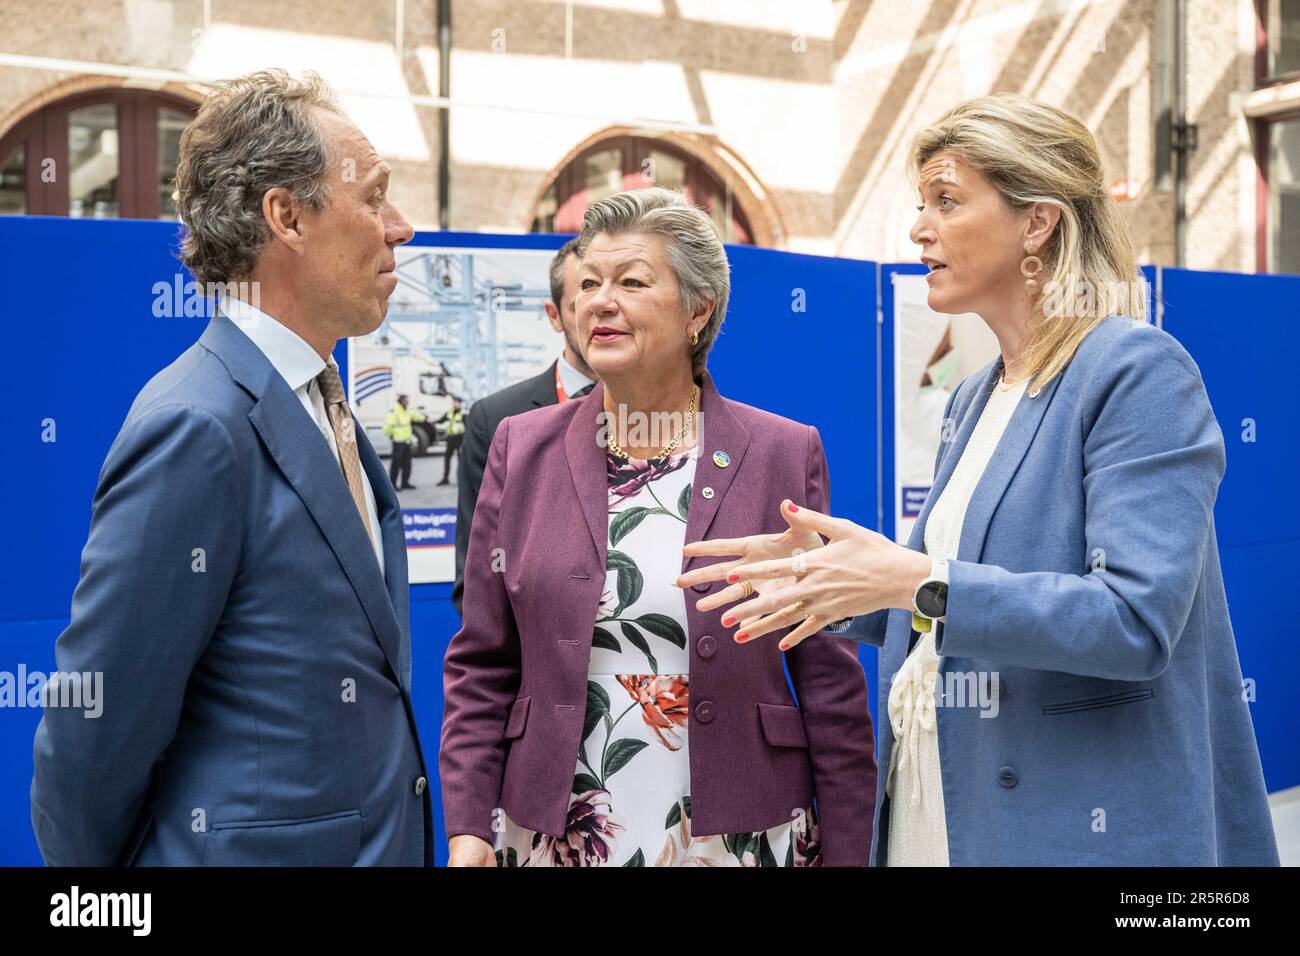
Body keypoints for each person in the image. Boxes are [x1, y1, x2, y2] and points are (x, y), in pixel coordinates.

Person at [680, 93, 1280, 867]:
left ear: (1038, 223)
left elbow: (1133, 621)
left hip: (1063, 829)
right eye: (921, 204)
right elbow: (950, 605)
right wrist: (831, 582)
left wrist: (917, 580)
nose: (918, 228)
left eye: (947, 200)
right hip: (936, 805)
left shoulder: (1135, 371)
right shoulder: (973, 395)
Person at [30, 70, 433, 866]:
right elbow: (92, 737)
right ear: (288, 217)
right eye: (375, 197)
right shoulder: (198, 425)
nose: (402, 227)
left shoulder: (319, 398)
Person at [440, 188, 875, 867]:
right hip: (560, 832)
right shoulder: (520, 448)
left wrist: (850, 852)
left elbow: (827, 678)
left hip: (738, 835)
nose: (599, 301)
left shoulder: (782, 453)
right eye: (589, 283)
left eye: (632, 282)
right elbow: (482, 663)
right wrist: (468, 827)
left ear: (699, 310)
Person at [450, 237, 597, 615]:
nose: (600, 314)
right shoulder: (497, 420)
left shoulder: (673, 414)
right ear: (554, 315)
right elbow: (477, 582)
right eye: (582, 302)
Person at [384, 393, 426, 490]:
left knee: (407, 463)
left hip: (407, 442)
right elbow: (386, 427)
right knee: (396, 464)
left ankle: (405, 483)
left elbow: (416, 416)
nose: (408, 402)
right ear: (401, 401)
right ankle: (393, 484)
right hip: (398, 442)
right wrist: (393, 435)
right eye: (406, 401)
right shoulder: (394, 412)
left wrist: (426, 418)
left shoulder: (406, 411)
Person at [434, 395, 465, 486]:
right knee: (447, 459)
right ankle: (445, 479)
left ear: (459, 403)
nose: (454, 404)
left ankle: (461, 480)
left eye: (456, 402)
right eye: (453, 402)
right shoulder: (450, 412)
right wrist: (433, 421)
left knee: (461, 460)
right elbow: (441, 420)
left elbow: (468, 426)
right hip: (450, 438)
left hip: (459, 438)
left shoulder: (463, 413)